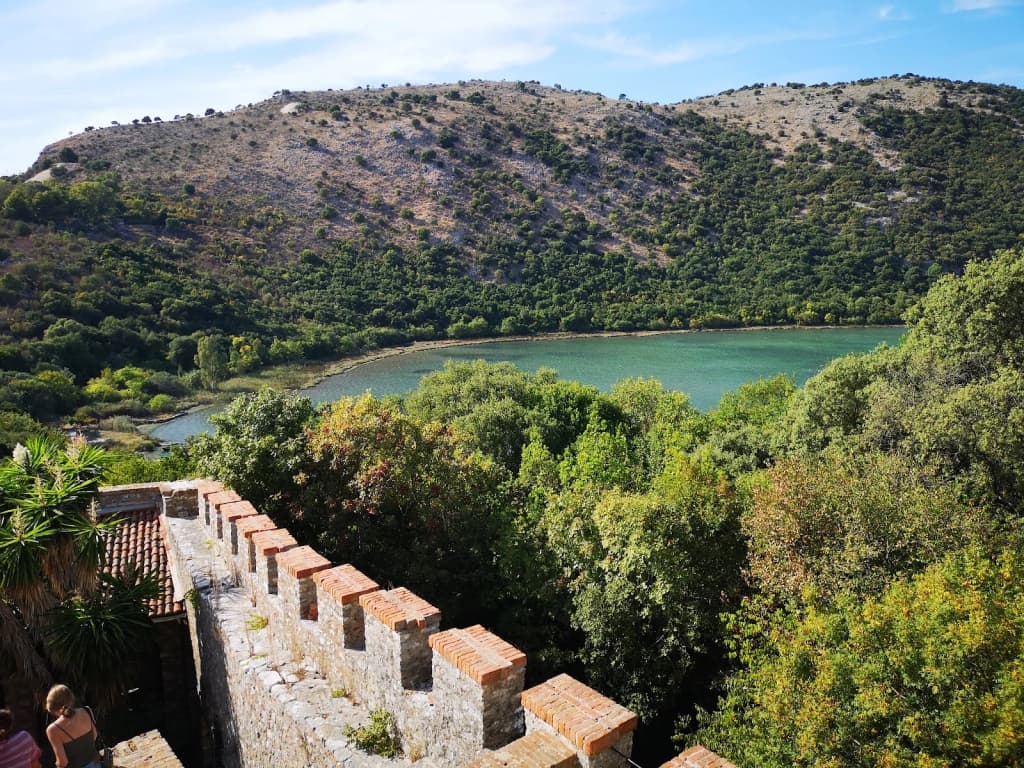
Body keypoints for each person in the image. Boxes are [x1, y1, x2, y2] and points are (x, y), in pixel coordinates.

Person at [44, 686, 101, 768]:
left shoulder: (53, 730)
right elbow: (94, 735)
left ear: (51, 705)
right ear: (71, 698)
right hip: (96, 764)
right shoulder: (87, 710)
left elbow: (63, 763)